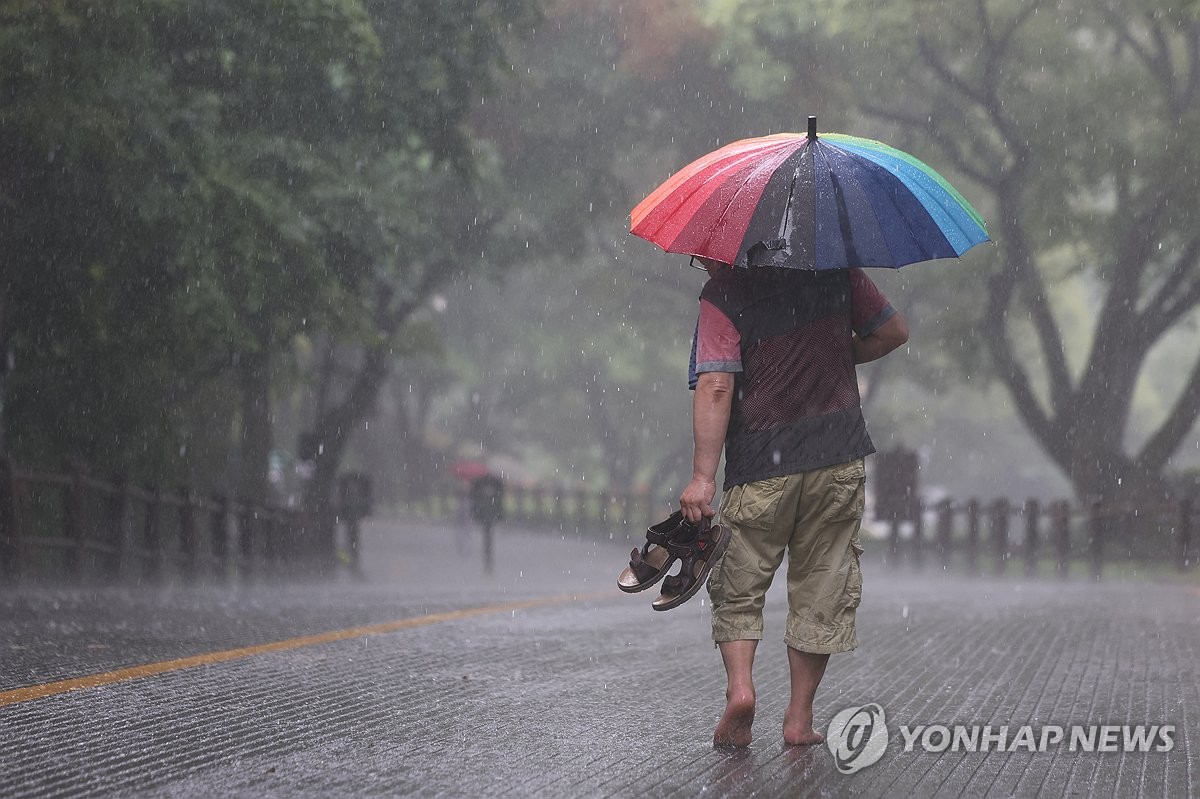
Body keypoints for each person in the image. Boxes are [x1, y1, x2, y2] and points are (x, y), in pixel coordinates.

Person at [679, 256, 908, 749]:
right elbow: (892, 332)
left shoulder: (725, 293)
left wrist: (702, 478)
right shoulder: (836, 271)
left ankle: (741, 692)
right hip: (837, 459)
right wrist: (836, 354)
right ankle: (800, 719)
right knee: (823, 584)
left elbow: (717, 383)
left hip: (762, 463)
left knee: (740, 584)